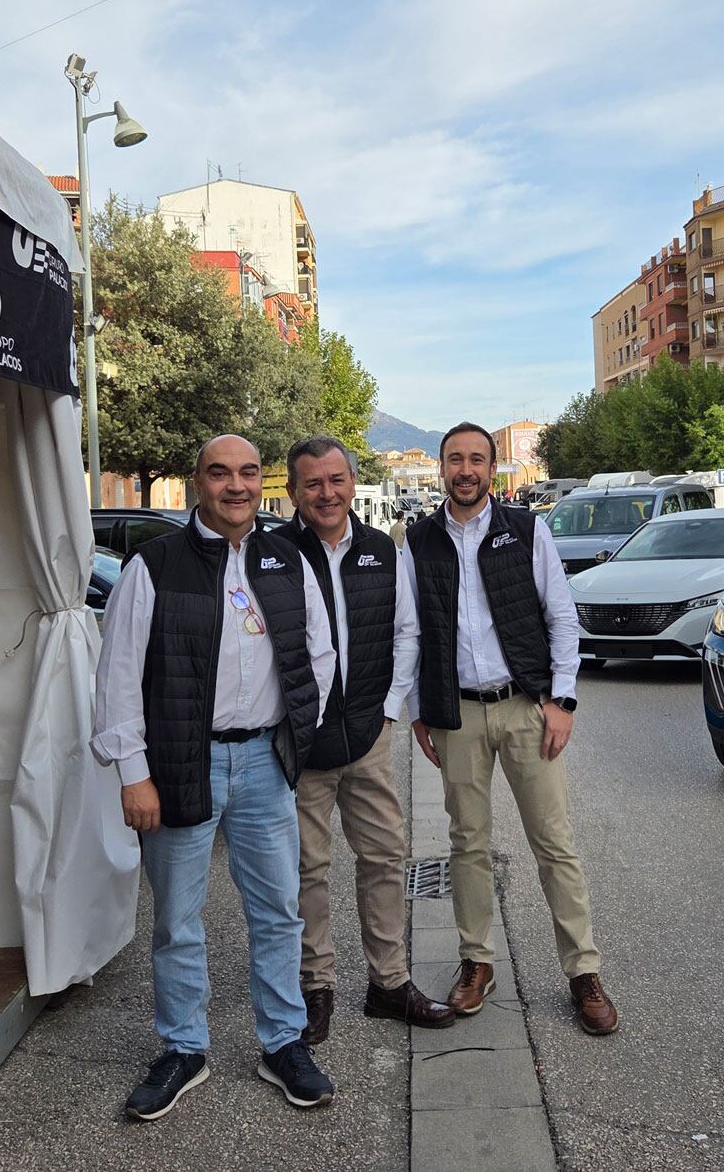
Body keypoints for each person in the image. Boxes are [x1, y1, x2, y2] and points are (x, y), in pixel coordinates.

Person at [93, 434, 339, 1121]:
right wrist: (133, 773)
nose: (236, 485)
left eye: (248, 473)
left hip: (264, 762)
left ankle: (283, 1041)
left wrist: (295, 732)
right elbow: (117, 675)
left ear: (263, 482)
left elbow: (318, 653)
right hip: (180, 762)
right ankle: (182, 1048)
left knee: (278, 913)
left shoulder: (284, 557)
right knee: (176, 919)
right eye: (220, 473)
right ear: (197, 482)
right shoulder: (156, 564)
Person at [401, 423, 618, 1036]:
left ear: (492, 470)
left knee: (554, 843)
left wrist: (563, 701)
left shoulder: (525, 530)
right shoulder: (417, 541)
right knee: (466, 842)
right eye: (454, 460)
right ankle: (477, 963)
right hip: (459, 713)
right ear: (442, 468)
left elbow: (561, 618)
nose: (465, 470)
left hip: (526, 706)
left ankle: (583, 973)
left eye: (476, 460)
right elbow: (413, 634)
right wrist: (420, 708)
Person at [285, 436, 454, 1044]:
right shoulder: (274, 554)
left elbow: (406, 633)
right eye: (312, 483)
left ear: (352, 483)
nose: (326, 493)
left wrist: (388, 710)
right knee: (307, 868)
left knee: (385, 858)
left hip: (369, 735)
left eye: (335, 480)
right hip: (301, 745)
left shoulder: (383, 549)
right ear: (294, 492)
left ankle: (388, 983)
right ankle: (315, 988)